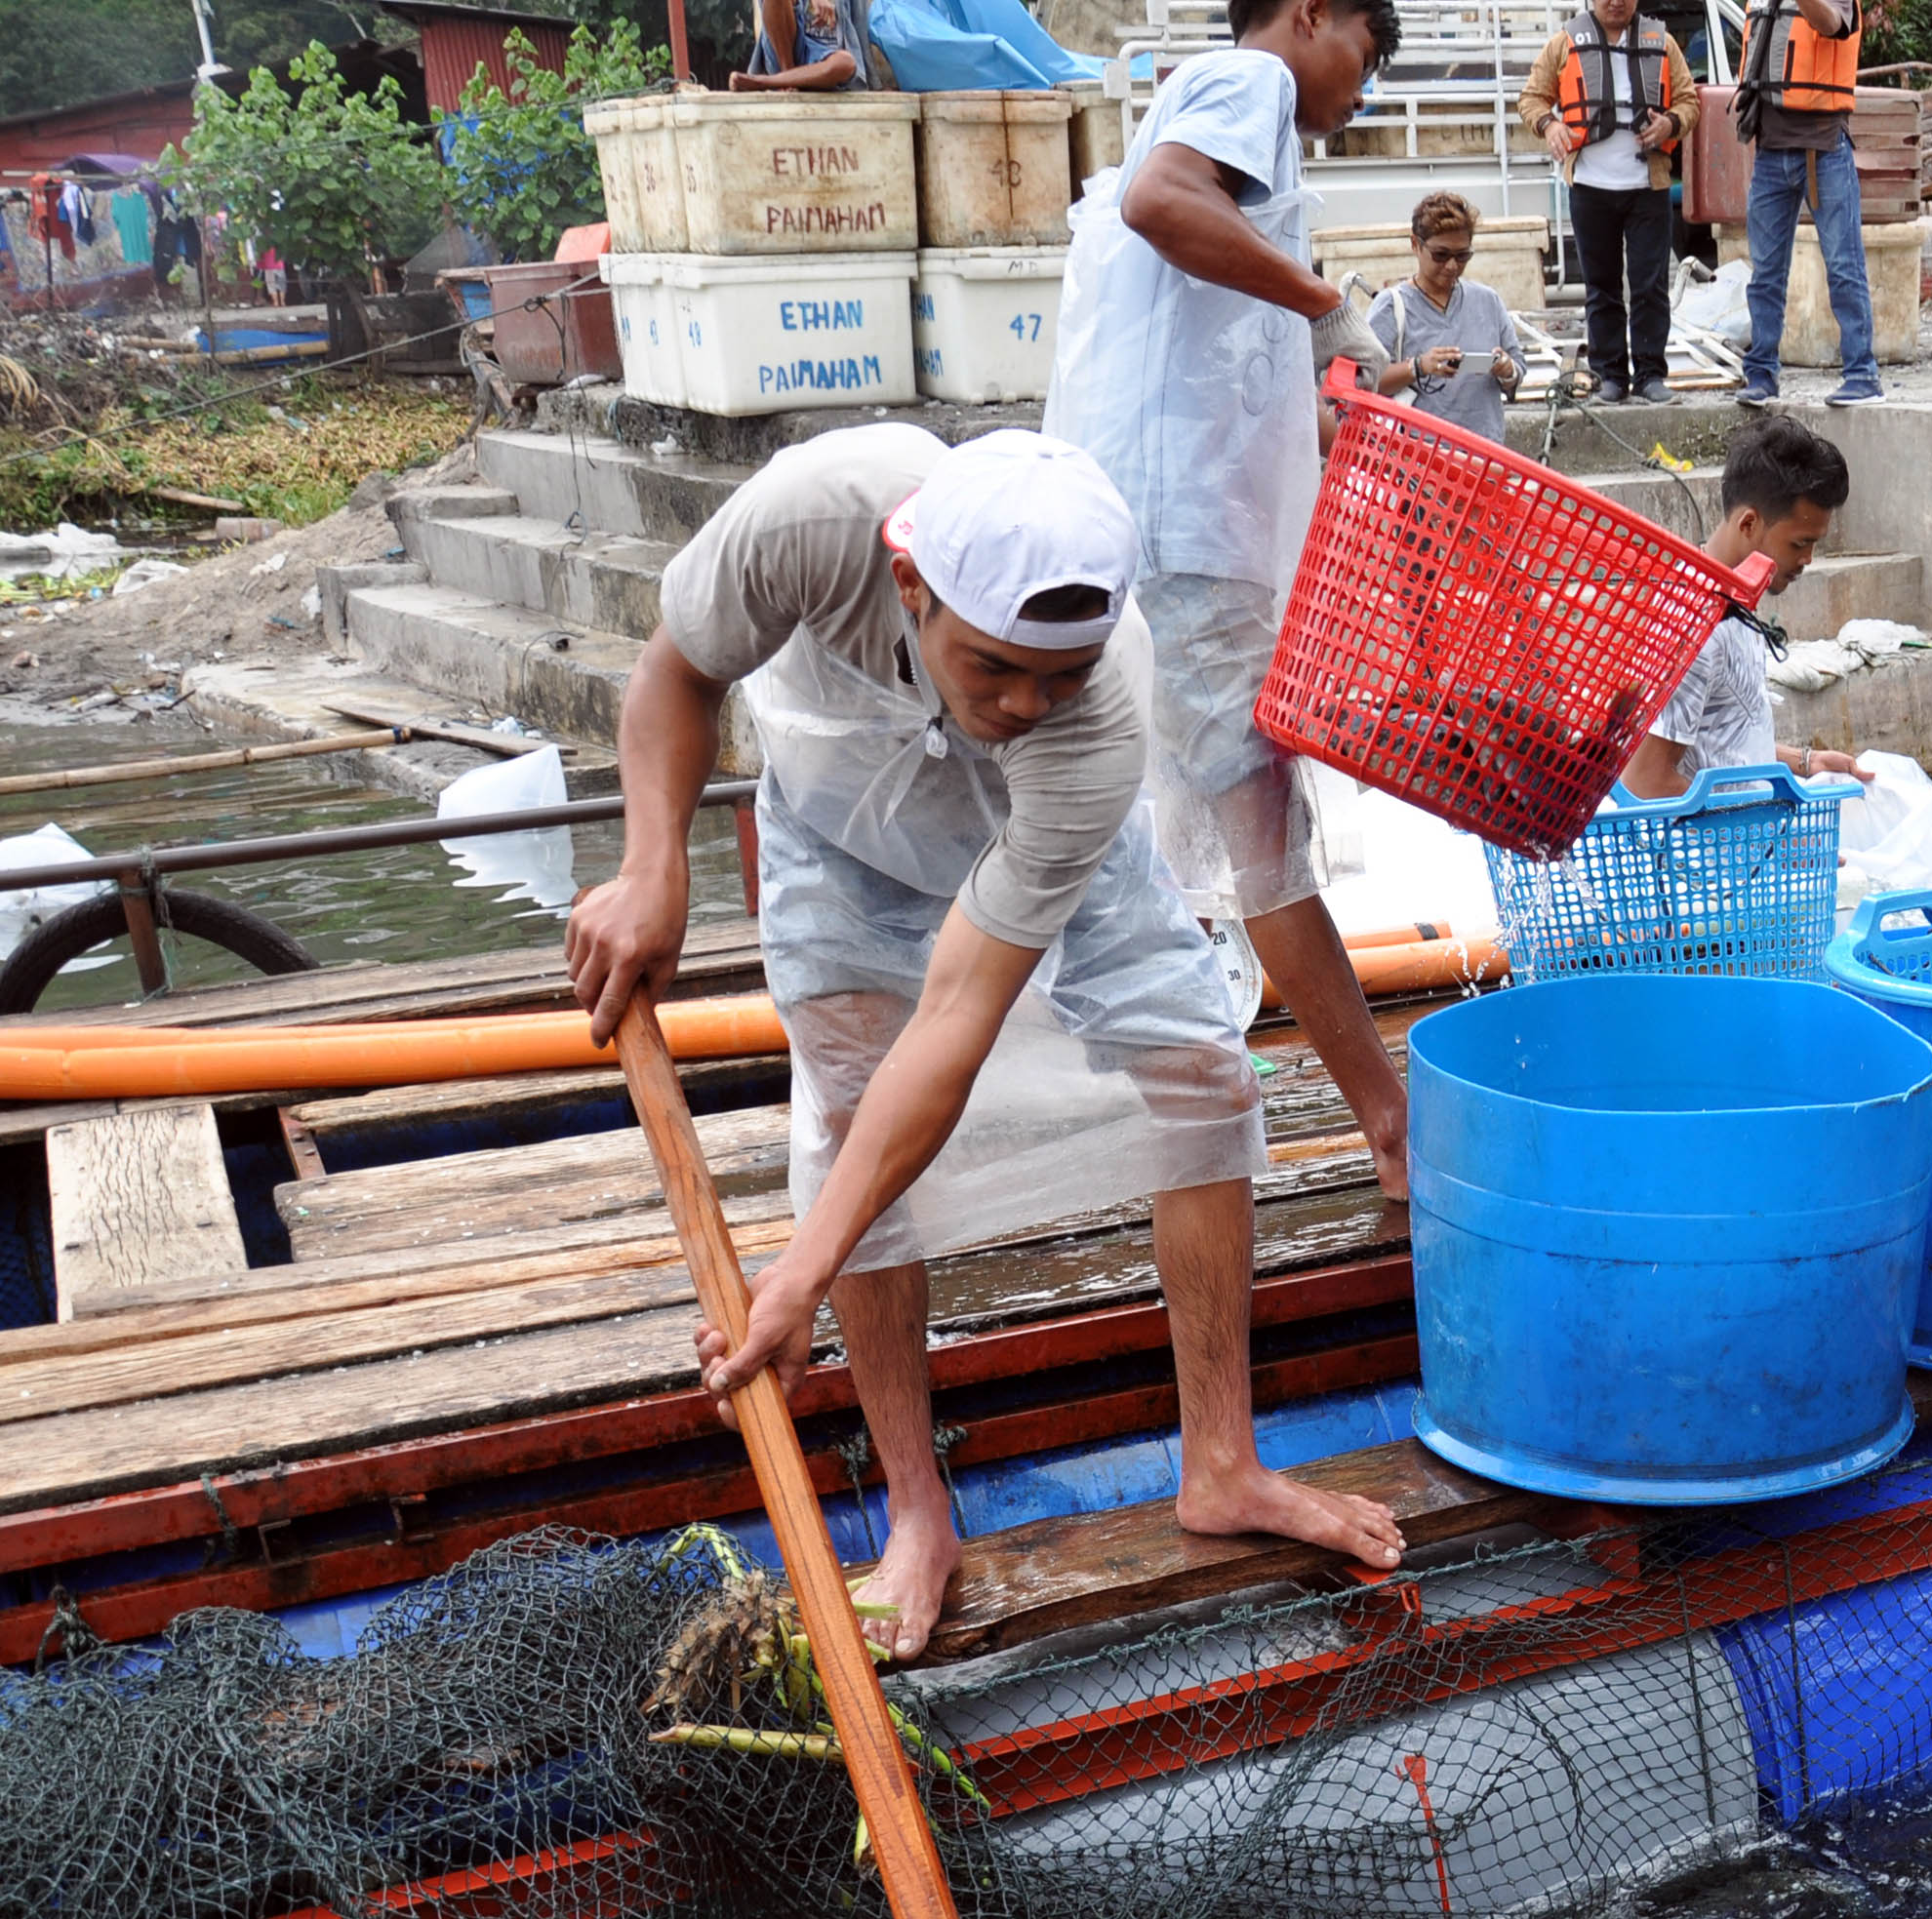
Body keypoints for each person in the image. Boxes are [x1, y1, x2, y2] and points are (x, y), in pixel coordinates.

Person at [573, 429, 1410, 1655]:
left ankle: (1221, 1460)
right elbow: (678, 673)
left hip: (1038, 835)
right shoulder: (808, 520)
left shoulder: (1089, 728)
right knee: (850, 1112)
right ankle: (917, 1509)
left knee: (1203, 1073)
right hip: (840, 826)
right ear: (911, 584)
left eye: (1056, 677)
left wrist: (795, 1270)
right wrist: (655, 867)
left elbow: (958, 1016)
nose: (1022, 704)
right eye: (996, 667)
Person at [1046, 0, 1410, 1204]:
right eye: (1366, 48)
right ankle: (1391, 1121)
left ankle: (1194, 1093)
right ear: (1307, 14)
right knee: (1263, 836)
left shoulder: (1243, 134)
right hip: (1180, 542)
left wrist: (1330, 408)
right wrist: (1317, 301)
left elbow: (1208, 354)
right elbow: (1160, 203)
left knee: (1186, 833)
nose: (1366, 81)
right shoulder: (1244, 82)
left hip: (1164, 527)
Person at [1623, 414, 1873, 795]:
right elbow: (1644, 781)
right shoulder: (1694, 625)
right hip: (1703, 853)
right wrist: (1772, 844)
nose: (1807, 559)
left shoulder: (1731, 603)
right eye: (1799, 543)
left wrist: (1804, 762)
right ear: (1748, 524)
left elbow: (1718, 743)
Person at [1523, 0, 1695, 406]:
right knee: (1601, 288)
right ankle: (1609, 375)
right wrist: (1549, 125)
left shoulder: (1663, 42)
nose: (1616, 1)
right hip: (1590, 184)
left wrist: (1670, 123)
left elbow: (1689, 101)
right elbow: (1531, 98)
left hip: (1647, 185)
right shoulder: (1564, 43)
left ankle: (1651, 375)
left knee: (1650, 286)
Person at [1732, 0, 1882, 404]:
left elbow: (1830, 22)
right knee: (1765, 273)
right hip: (1770, 149)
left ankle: (1862, 375)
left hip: (1824, 148)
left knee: (1843, 265)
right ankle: (1761, 375)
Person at [1369, 194, 1523, 440]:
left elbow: (1517, 367)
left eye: (1462, 256)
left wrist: (1507, 369)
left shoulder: (1487, 301)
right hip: (1416, 458)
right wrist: (1418, 367)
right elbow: (1366, 382)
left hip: (1485, 455)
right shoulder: (1391, 306)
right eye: (1441, 255)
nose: (1452, 266)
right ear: (1415, 245)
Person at [736, 0, 868, 90]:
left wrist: (874, 83)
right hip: (787, 52)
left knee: (846, 62)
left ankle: (765, 82)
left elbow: (860, 24)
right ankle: (787, 74)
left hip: (826, 56)